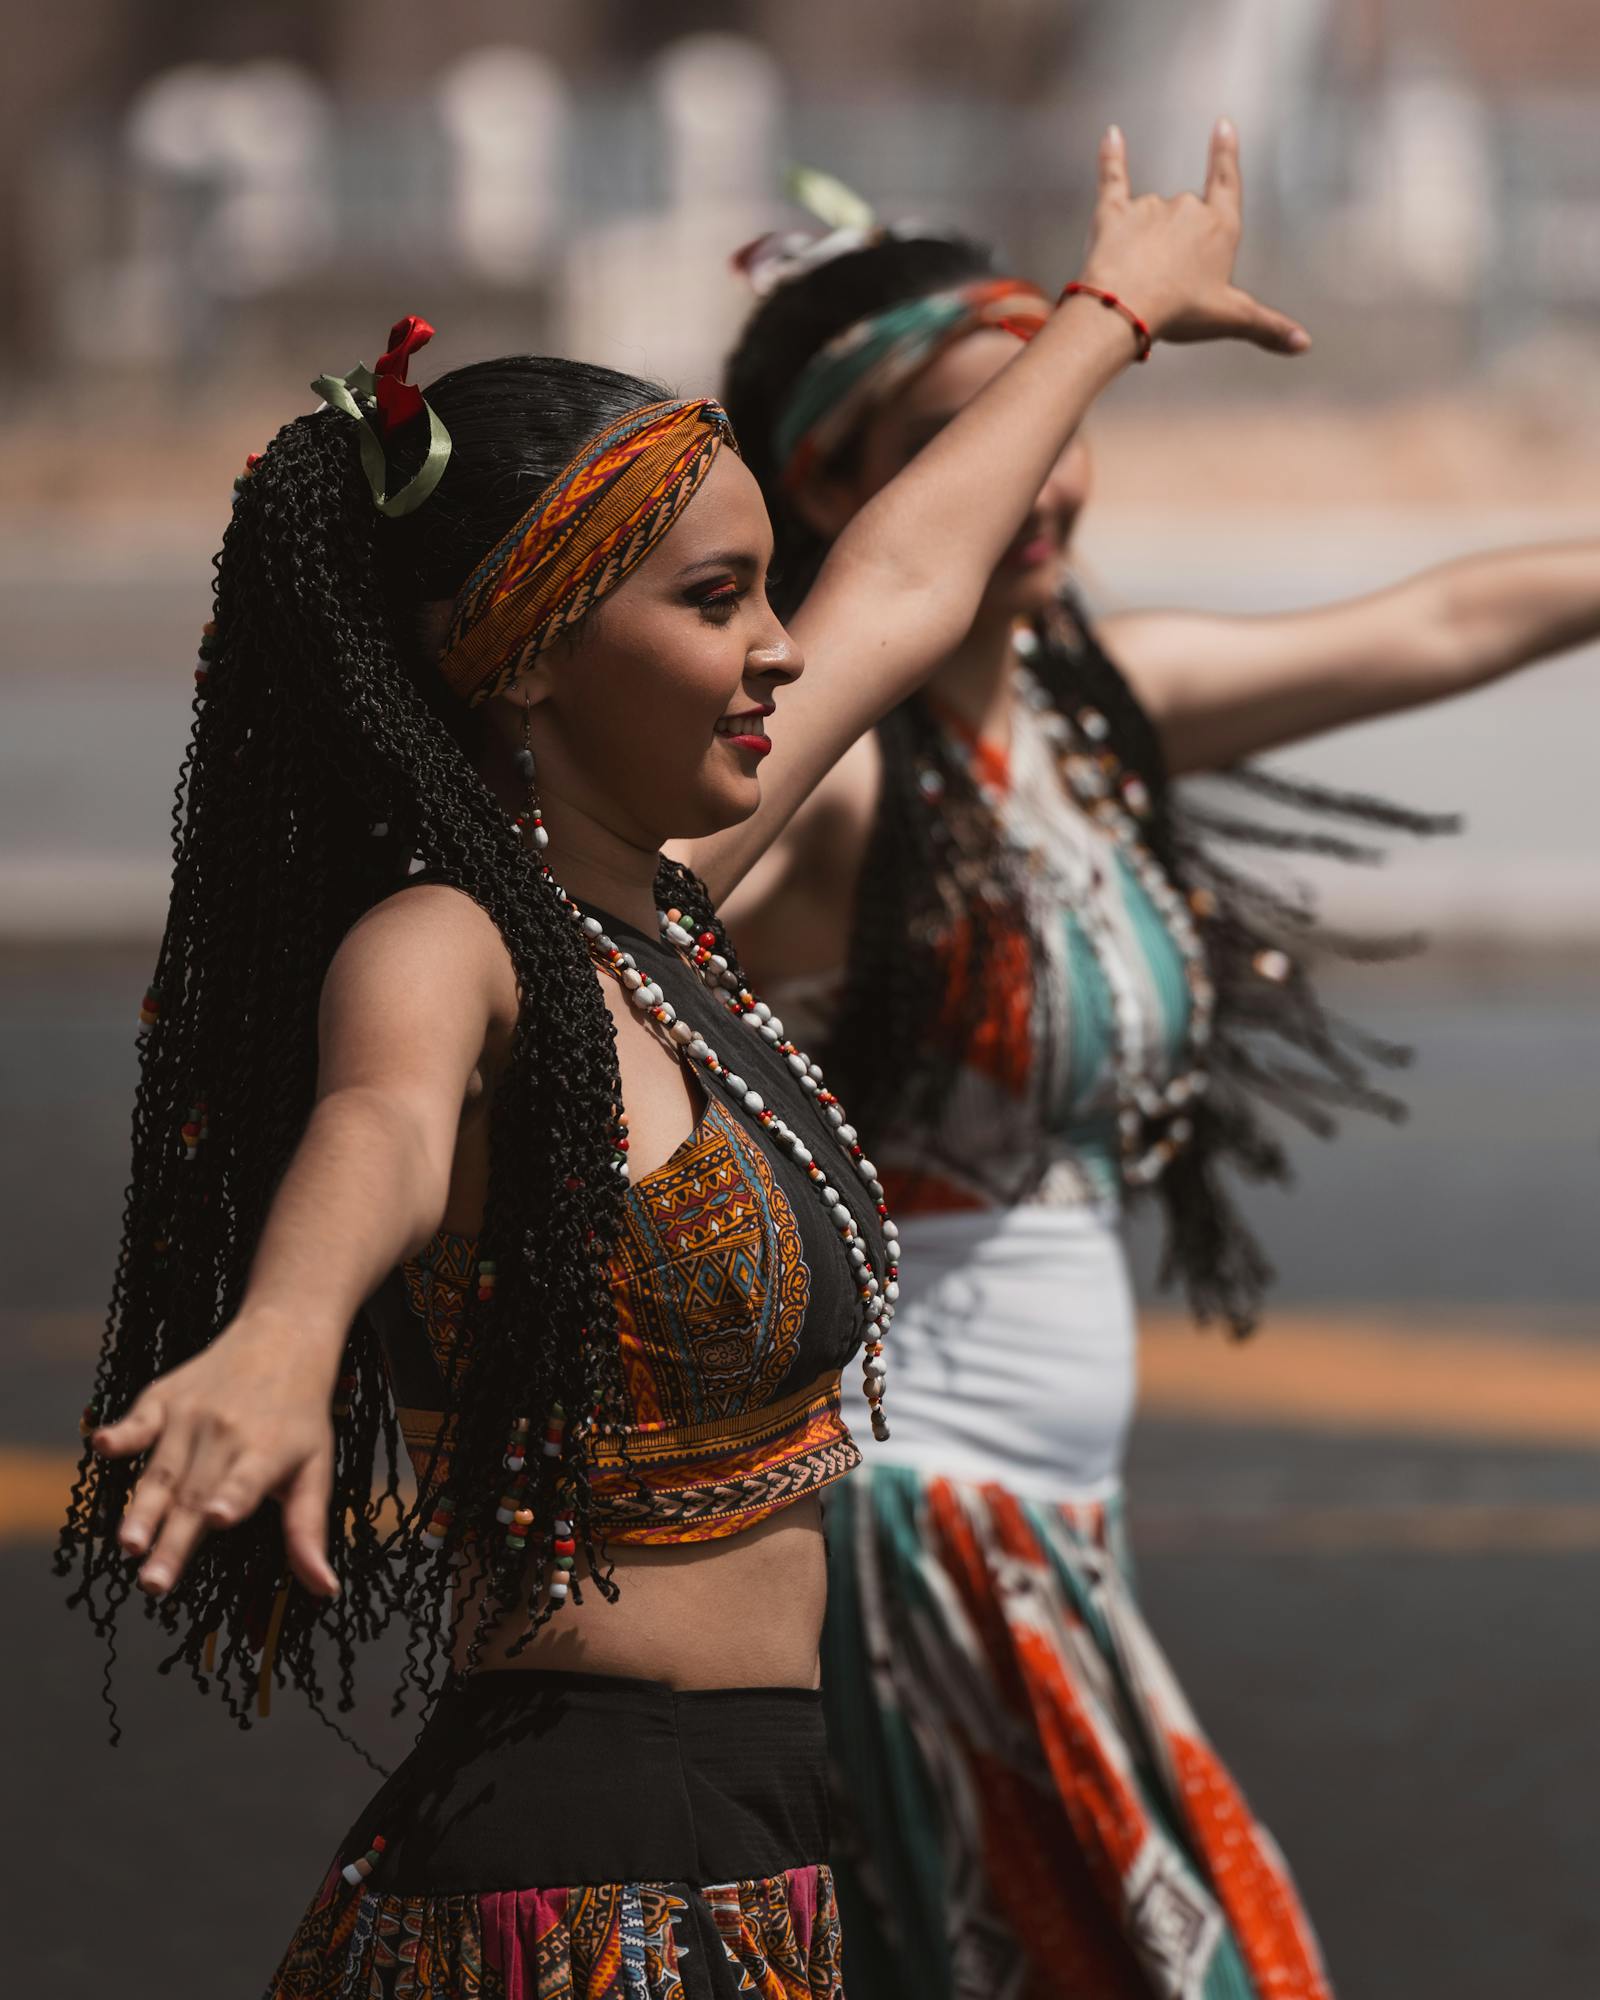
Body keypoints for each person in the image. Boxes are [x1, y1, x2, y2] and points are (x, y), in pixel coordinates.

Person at [56, 130, 1306, 1997]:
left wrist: (1111, 310)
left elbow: (903, 579)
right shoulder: (450, 946)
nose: (782, 648)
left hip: (763, 1841)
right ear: (536, 648)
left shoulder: (650, 910)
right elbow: (382, 1124)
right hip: (584, 1884)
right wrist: (285, 1332)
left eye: (764, 592)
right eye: (715, 603)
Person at [719, 205, 1600, 2000]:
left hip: (1053, 1523)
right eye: (991, 440)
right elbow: (557, 929)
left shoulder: (1083, 712)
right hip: (913, 1520)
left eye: (1058, 427)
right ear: (853, 488)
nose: (1041, 486)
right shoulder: (822, 787)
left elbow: (1442, 618)